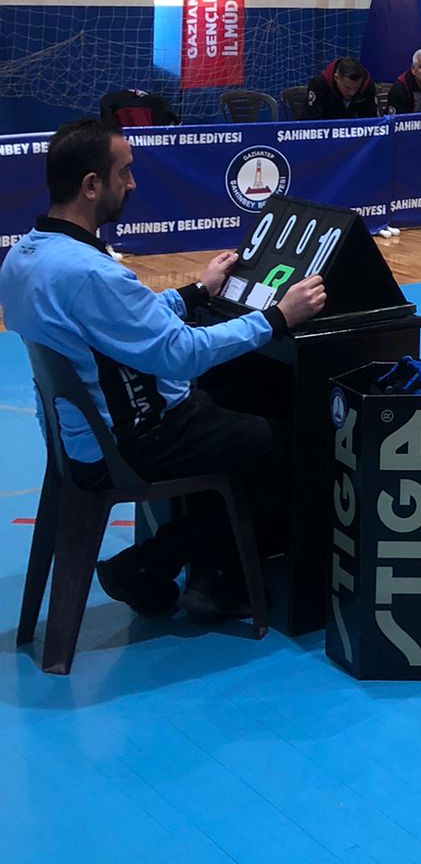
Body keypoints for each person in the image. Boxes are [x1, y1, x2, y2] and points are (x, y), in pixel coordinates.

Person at [0, 118, 326, 621]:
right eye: (125, 172)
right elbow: (181, 353)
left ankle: (208, 572)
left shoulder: (27, 255)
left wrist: (196, 292)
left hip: (77, 439)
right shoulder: (90, 272)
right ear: (92, 185)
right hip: (132, 441)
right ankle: (160, 565)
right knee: (293, 445)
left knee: (233, 407)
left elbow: (121, 320)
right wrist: (279, 317)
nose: (132, 184)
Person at [303, 55, 378, 119]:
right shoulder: (319, 85)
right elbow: (311, 120)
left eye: (356, 88)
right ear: (336, 78)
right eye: (347, 88)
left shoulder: (367, 85)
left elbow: (370, 119)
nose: (352, 93)